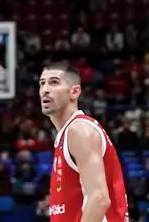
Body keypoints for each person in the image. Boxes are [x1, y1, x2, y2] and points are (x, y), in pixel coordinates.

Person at [39, 62, 128, 222]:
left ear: (74, 92)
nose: (45, 89)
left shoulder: (79, 130)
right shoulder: (67, 134)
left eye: (54, 82)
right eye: (42, 83)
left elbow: (99, 199)